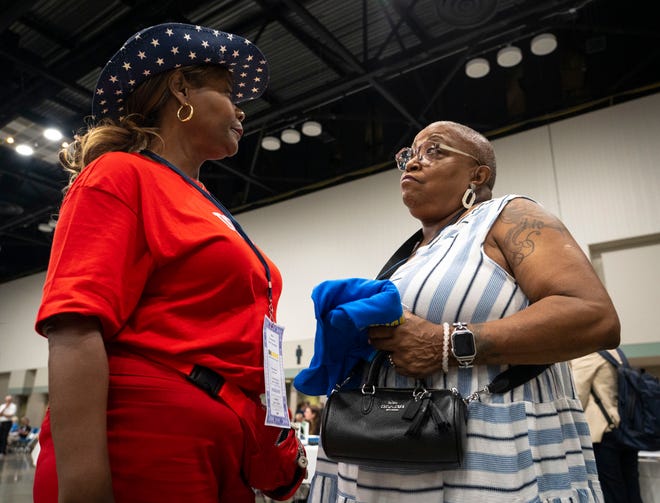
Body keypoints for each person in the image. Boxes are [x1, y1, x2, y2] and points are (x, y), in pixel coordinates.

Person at [33, 23, 305, 503]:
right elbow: (75, 327)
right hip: (148, 439)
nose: (241, 108)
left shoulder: (203, 202)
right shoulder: (119, 173)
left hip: (220, 443)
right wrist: (85, 487)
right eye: (226, 91)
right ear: (180, 87)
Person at [308, 120, 620, 502]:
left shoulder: (508, 215)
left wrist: (446, 344)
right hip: (392, 458)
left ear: (478, 174)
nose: (413, 163)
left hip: (487, 463)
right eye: (408, 155)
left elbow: (592, 315)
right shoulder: (410, 255)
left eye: (434, 150)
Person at [572, 351, 642, 503]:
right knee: (632, 489)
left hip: (603, 433)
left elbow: (576, 396)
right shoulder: (617, 353)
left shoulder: (588, 354)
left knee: (612, 493)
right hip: (625, 429)